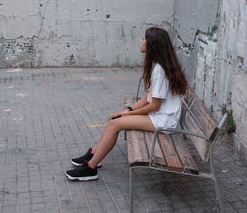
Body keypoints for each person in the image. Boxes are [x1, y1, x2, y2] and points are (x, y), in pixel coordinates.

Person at [64, 27, 188, 181]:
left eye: (143, 39)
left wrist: (128, 114)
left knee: (116, 124)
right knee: (113, 118)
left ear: (151, 45)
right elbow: (148, 98)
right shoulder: (159, 65)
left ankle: (90, 169)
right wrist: (127, 110)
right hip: (160, 116)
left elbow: (154, 106)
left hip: (164, 121)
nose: (140, 41)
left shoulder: (158, 70)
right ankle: (94, 156)